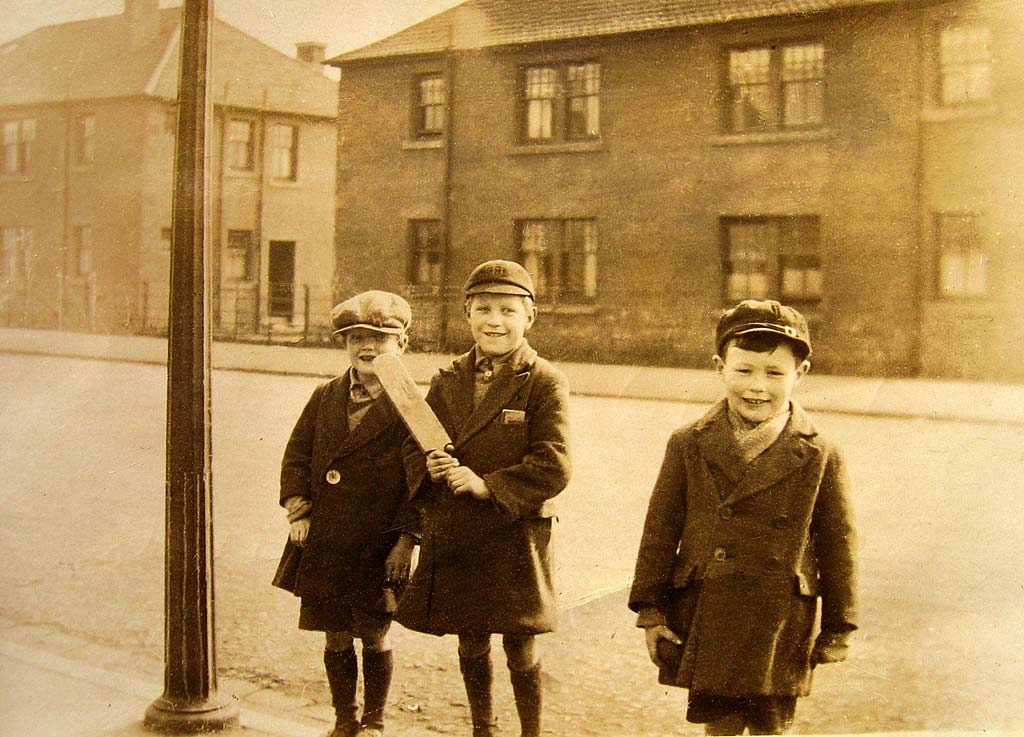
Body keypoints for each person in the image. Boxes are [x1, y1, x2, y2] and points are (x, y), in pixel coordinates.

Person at [629, 299, 858, 735]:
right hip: (710, 606)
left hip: (781, 616)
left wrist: (839, 626)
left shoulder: (820, 452)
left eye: (775, 374)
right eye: (744, 370)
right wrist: (651, 612)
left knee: (771, 725)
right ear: (720, 367)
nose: (758, 387)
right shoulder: (688, 442)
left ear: (800, 374)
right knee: (720, 725)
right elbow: (659, 531)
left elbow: (839, 544)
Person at [386, 260, 572, 737]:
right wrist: (428, 464)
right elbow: (415, 440)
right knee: (470, 638)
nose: (495, 320)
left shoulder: (545, 380)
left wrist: (488, 484)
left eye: (508, 310)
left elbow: (554, 464)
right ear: (467, 315)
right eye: (483, 308)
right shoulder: (448, 379)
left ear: (529, 317)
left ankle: (530, 732)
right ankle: (483, 729)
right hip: (461, 530)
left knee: (520, 642)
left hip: (516, 534)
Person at [274, 290, 415, 737]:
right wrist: (299, 511)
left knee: (374, 633)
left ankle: (374, 720)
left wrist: (407, 539)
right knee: (335, 633)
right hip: (327, 541)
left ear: (402, 345)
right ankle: (344, 719)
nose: (366, 346)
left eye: (379, 336)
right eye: (355, 337)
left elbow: (422, 482)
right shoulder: (326, 396)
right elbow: (296, 457)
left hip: (378, 545)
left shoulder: (412, 407)